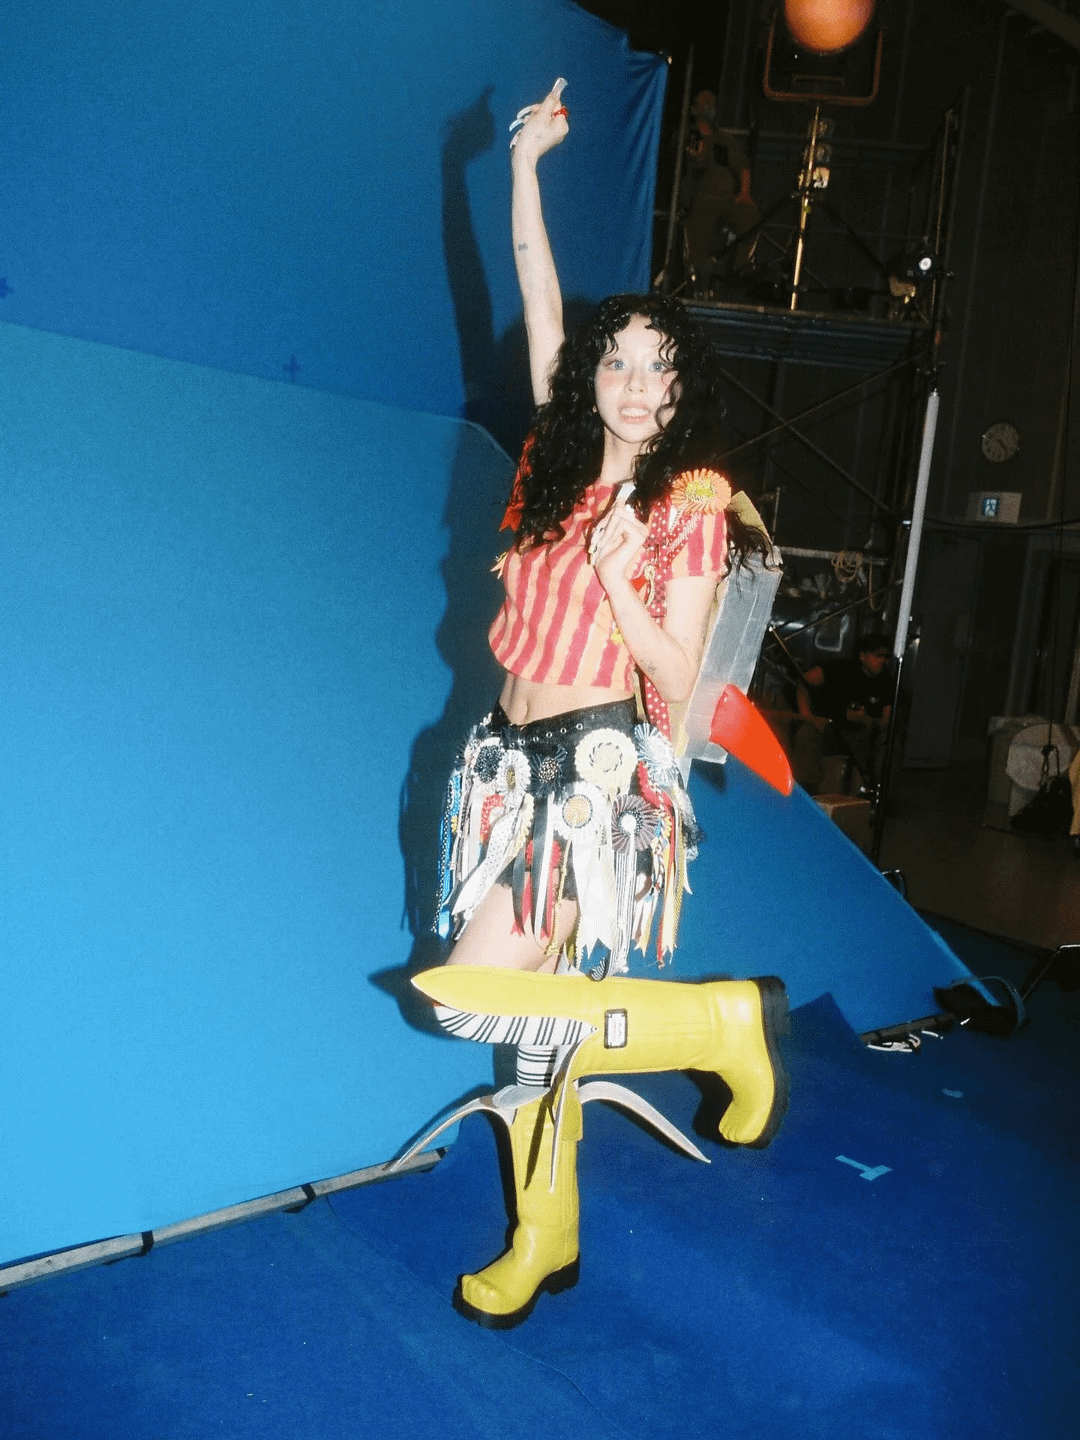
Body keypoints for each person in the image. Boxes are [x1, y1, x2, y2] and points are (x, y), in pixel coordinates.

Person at [405, 78, 789, 1331]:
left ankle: (718, 1023)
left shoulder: (688, 507)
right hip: (504, 762)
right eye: (615, 360)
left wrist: (625, 580)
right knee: (533, 1036)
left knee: (469, 989)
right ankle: (546, 1235)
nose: (631, 382)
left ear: (681, 393)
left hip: (594, 776)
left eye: (656, 369)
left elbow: (677, 681)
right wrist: (524, 169)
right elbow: (538, 289)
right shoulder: (551, 455)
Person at [792, 633, 893, 795]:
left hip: (859, 735)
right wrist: (807, 715)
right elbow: (804, 680)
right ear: (862, 656)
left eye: (886, 657)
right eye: (877, 655)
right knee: (807, 733)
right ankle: (806, 792)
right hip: (828, 727)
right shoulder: (841, 668)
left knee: (874, 739)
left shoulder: (887, 684)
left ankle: (858, 792)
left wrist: (864, 720)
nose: (882, 661)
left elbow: (885, 723)